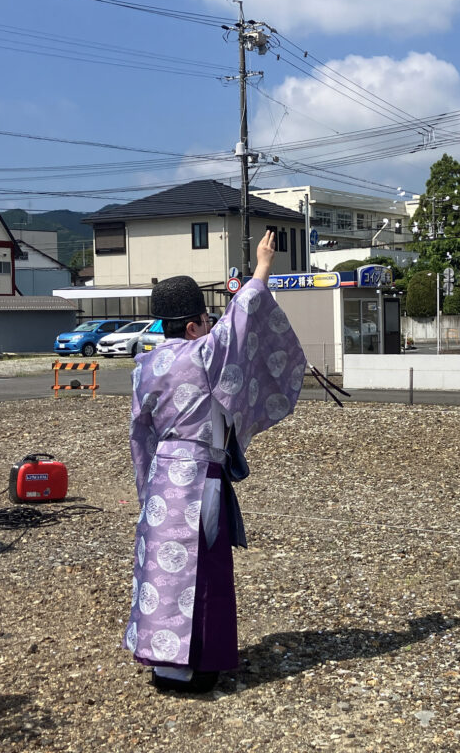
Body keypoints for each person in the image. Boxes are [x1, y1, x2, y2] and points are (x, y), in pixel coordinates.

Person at [123, 230, 306, 693]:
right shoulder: (203, 354)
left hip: (161, 477)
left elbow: (139, 437)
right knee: (200, 571)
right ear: (191, 327)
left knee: (161, 572)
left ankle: (162, 663)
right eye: (206, 320)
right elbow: (241, 318)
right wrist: (262, 267)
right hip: (198, 476)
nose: (211, 325)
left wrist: (146, 493)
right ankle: (197, 666)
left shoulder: (145, 367)